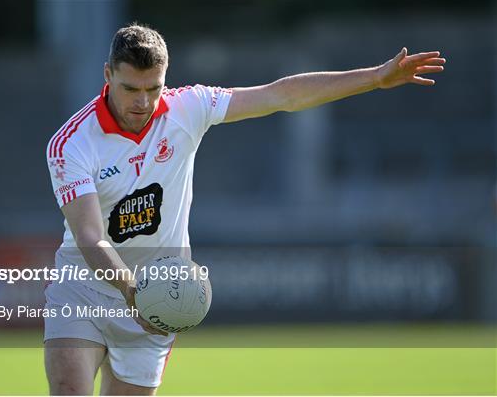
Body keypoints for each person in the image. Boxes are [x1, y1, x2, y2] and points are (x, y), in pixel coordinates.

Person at [45, 21, 445, 395]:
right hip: (86, 288)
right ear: (108, 75)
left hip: (160, 295)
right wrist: (134, 290)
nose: (144, 102)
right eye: (132, 89)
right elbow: (89, 237)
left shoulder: (188, 107)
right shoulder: (72, 144)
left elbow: (280, 95)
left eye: (154, 89)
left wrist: (375, 78)